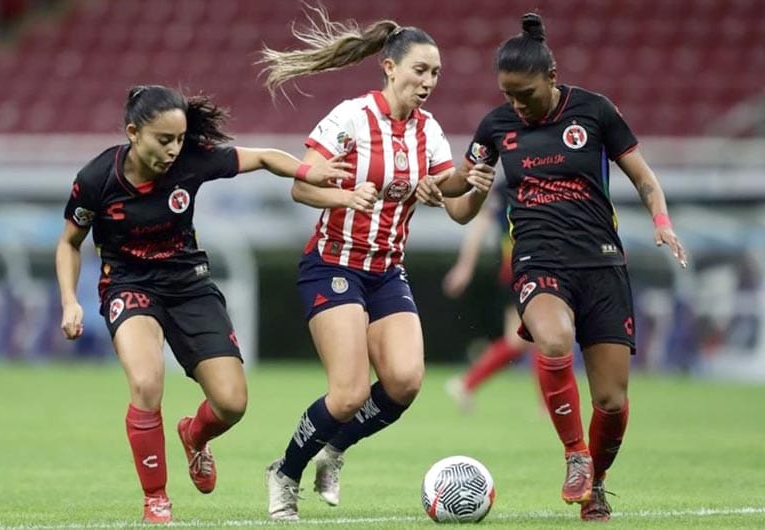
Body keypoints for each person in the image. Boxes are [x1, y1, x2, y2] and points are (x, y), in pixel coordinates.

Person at [55, 84, 351, 524]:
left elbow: (266, 157)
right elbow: (69, 244)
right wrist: (69, 302)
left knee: (232, 403)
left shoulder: (192, 160)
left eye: (179, 139)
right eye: (164, 140)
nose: (174, 150)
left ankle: (194, 436)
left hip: (189, 285)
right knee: (147, 382)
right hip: (128, 286)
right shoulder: (97, 179)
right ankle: (156, 498)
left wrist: (309, 173)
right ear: (133, 132)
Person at [258, 6, 493, 521]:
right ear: (389, 67)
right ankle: (285, 472)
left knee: (406, 381)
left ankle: (333, 450)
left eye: (435, 73)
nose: (428, 81)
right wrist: (345, 199)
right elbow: (301, 185)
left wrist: (466, 184)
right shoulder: (349, 119)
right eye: (419, 70)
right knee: (348, 393)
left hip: (386, 269)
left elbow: (450, 195)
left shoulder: (428, 130)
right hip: (332, 264)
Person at [458, 13, 688, 522]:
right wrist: (445, 190)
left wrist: (662, 221)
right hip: (538, 260)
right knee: (554, 341)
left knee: (610, 399)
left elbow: (645, 179)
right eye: (509, 95)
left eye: (526, 93)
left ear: (551, 76)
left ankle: (598, 483)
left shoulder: (596, 111)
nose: (517, 104)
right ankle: (575, 455)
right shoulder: (496, 127)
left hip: (602, 264)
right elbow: (463, 195)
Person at [442, 182, 534, 413]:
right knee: (538, 339)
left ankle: (466, 383)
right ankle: (549, 407)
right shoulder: (505, 188)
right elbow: (480, 224)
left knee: (519, 341)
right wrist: (464, 268)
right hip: (522, 268)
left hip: (523, 267)